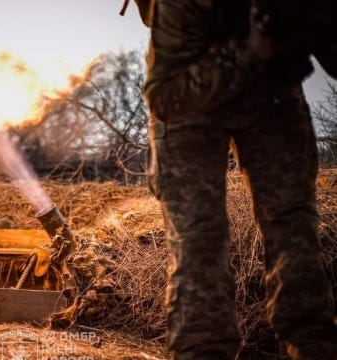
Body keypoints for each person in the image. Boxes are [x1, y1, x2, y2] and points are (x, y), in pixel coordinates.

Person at [139, 0, 337, 359]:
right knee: (199, 237)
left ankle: (312, 346)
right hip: (187, 97)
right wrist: (250, 51)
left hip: (271, 94)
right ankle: (203, 351)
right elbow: (164, 97)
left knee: (294, 226)